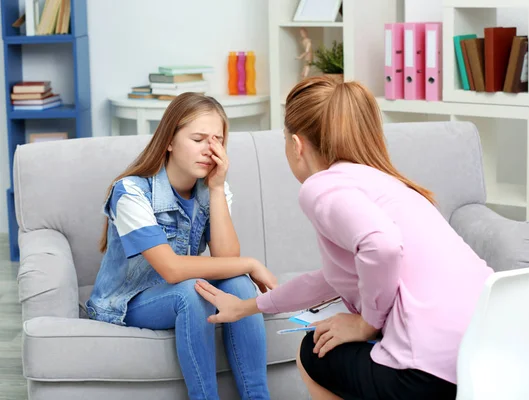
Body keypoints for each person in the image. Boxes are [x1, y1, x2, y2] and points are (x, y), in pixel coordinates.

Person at [194, 77, 495, 400]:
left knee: (314, 350)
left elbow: (382, 245)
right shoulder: (386, 183)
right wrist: (246, 306)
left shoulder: (321, 185)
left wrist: (366, 323)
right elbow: (330, 280)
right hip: (487, 358)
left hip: (427, 371)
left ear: (297, 145)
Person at [86, 93, 276, 400]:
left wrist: (215, 189)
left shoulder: (213, 187)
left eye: (217, 140)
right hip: (127, 302)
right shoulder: (132, 191)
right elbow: (172, 269)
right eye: (199, 138)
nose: (210, 150)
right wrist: (252, 263)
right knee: (191, 291)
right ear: (170, 141)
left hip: (177, 289)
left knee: (239, 284)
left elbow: (227, 259)